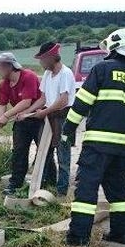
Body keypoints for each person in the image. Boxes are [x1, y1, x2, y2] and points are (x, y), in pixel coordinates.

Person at [61, 28, 125, 247]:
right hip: (123, 149)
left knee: (87, 188)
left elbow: (82, 102)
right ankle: (122, 233)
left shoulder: (102, 69)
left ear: (114, 46)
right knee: (119, 188)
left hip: (97, 146)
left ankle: (78, 236)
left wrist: (67, 129)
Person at [0, 52, 53, 194]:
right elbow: (1, 106)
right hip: (21, 120)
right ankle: (16, 183)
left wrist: (6, 116)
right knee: (19, 151)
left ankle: (48, 181)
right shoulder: (3, 85)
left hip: (38, 117)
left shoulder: (28, 76)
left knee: (44, 150)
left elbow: (26, 102)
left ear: (9, 67)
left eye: (0, 67)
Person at [27, 41, 78, 196]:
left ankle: (62, 191)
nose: (41, 62)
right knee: (44, 151)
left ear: (51, 57)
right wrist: (28, 112)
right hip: (49, 117)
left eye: (42, 59)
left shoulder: (66, 73)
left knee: (63, 155)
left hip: (63, 118)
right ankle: (41, 185)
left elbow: (63, 101)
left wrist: (44, 112)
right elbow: (42, 98)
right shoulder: (48, 74)